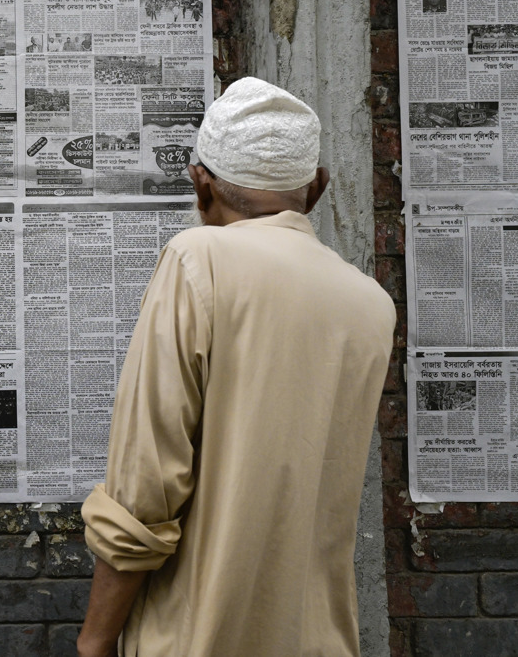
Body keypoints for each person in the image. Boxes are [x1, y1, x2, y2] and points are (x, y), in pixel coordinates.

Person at [75, 77, 395, 657]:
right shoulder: (369, 300)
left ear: (201, 182)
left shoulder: (198, 260)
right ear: (316, 188)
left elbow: (146, 486)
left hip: (201, 636)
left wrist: (94, 641)